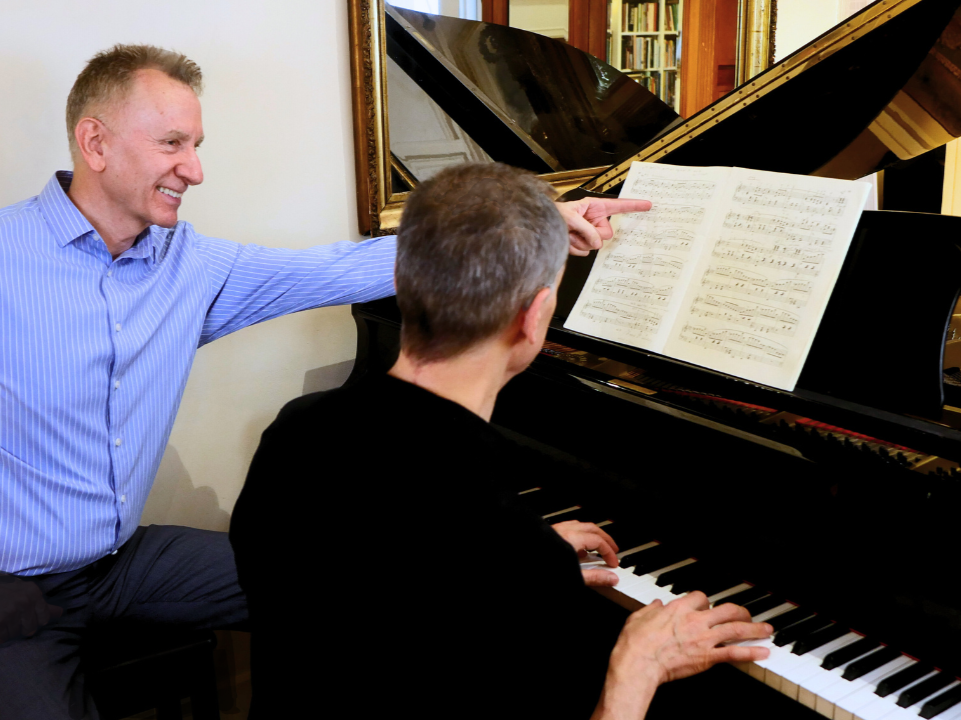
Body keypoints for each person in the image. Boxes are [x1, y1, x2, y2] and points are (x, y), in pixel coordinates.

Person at [0, 44, 650, 719]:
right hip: (13, 585)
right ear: (94, 142)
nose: (193, 169)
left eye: (195, 144)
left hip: (125, 559)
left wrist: (539, 226)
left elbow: (336, 269)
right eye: (172, 143)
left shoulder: (188, 265)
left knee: (344, 588)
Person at [229, 162, 771, 718]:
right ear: (534, 318)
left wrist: (517, 556)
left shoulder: (293, 431)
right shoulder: (500, 545)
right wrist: (639, 661)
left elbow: (383, 582)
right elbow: (462, 557)